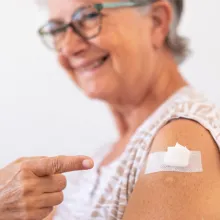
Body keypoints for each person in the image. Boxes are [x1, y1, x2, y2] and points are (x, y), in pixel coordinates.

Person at [2, 0, 220, 219]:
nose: (68, 47)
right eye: (57, 28)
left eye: (88, 17)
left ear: (157, 22)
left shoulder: (181, 139)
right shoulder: (103, 157)